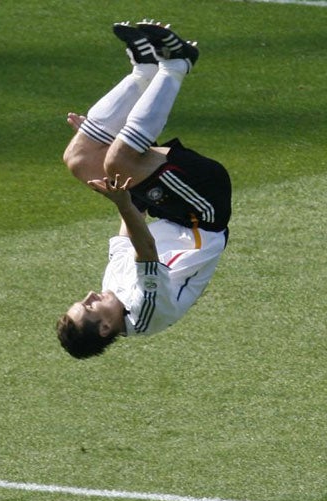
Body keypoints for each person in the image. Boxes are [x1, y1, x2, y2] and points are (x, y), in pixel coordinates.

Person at [57, 20, 232, 359]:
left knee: (79, 159)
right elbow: (146, 249)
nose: (90, 294)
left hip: (175, 206)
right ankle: (176, 64)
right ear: (105, 328)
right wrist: (121, 186)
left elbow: (130, 227)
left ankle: (145, 70)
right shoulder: (144, 312)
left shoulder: (112, 288)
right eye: (88, 306)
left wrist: (102, 139)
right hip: (204, 212)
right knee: (116, 162)